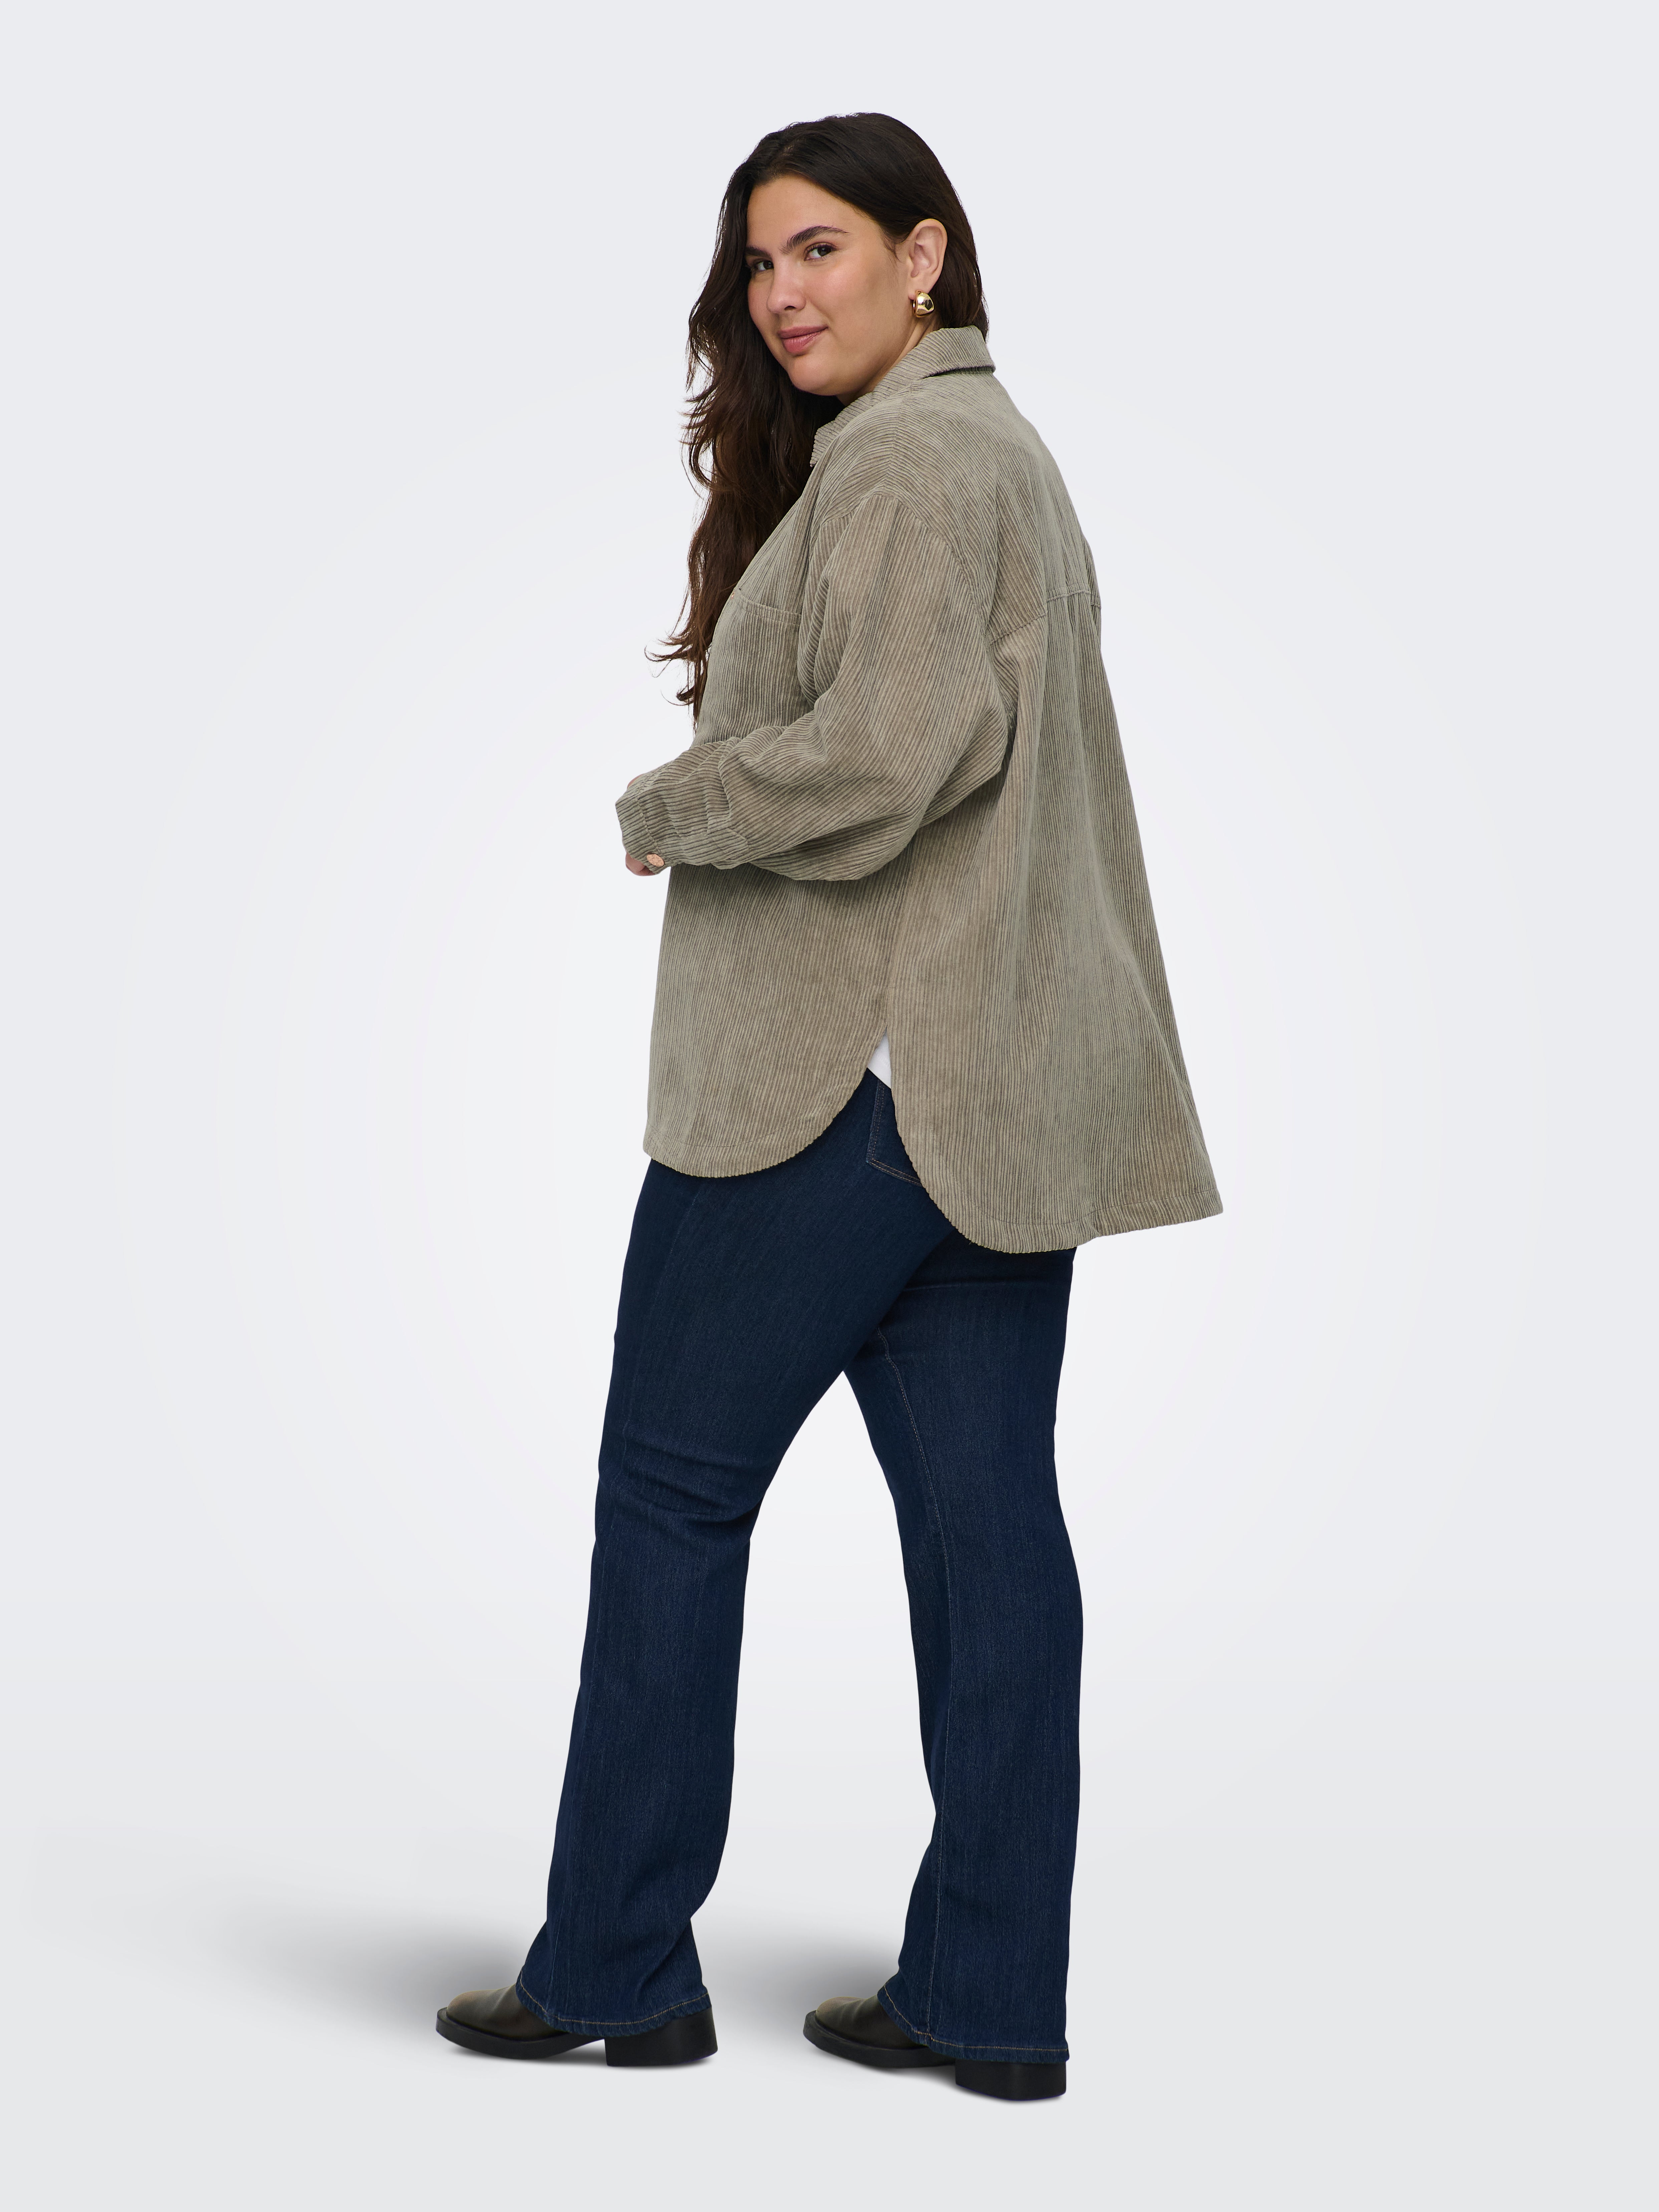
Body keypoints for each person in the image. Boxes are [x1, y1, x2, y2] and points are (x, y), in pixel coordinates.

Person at [436, 111, 1220, 2103]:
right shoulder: (992, 452)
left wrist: (674, 803)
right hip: (979, 1098)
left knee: (673, 1499)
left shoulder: (917, 466)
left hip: (836, 1093)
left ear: (923, 255)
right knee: (986, 1534)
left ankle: (617, 1963)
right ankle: (990, 1997)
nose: (783, 294)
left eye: (821, 250)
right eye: (758, 264)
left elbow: (889, 752)